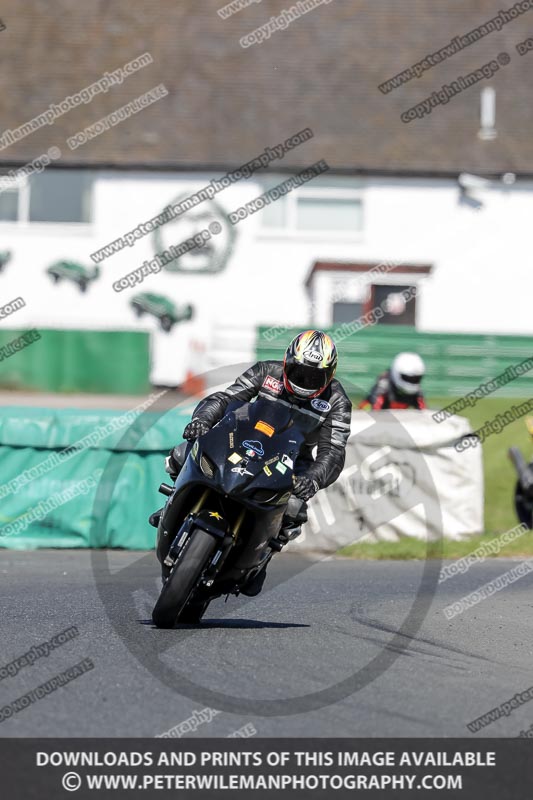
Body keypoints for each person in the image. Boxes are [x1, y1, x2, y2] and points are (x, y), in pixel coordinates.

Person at [150, 329, 352, 595]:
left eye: (315, 377)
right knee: (182, 452)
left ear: (330, 375)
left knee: (294, 507)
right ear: (286, 361)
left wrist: (313, 479)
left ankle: (265, 552)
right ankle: (174, 501)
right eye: (299, 371)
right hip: (241, 436)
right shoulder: (266, 372)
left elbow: (333, 451)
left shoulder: (337, 401)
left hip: (292, 456)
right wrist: (202, 420)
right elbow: (227, 399)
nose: (305, 381)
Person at [358, 352, 426, 411]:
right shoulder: (383, 387)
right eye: (408, 378)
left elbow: (423, 414)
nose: (412, 381)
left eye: (416, 378)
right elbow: (372, 414)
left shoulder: (417, 392)